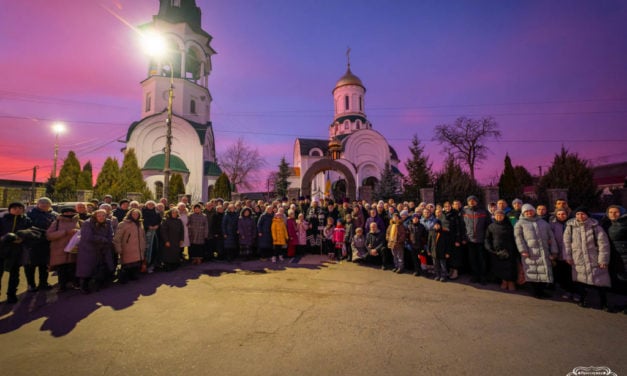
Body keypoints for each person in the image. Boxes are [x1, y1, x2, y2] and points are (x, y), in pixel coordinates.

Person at [563, 207, 612, 311]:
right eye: (578, 214)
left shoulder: (596, 227)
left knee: (600, 282)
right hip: (578, 258)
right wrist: (568, 256)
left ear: (587, 215)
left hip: (594, 257)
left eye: (582, 214)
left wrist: (603, 260)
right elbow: (566, 244)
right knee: (580, 281)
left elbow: (603, 244)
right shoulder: (570, 227)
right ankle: (582, 299)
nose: (580, 216)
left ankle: (604, 303)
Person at [514, 204, 557, 299]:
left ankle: (541, 291)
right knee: (532, 272)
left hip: (543, 251)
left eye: (531, 211)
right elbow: (518, 238)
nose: (529, 213)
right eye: (526, 212)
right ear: (523, 213)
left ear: (534, 211)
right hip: (530, 252)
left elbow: (551, 237)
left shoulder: (543, 223)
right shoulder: (520, 223)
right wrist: (523, 250)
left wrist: (554, 251)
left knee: (543, 272)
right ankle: (535, 292)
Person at [0, 202, 33, 303]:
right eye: (14, 208)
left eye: (20, 208)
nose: (17, 210)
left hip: (17, 251)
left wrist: (23, 237)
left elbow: (32, 232)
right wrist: (2, 238)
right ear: (10, 209)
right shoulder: (2, 220)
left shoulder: (27, 220)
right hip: (2, 250)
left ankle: (11, 295)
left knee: (14, 274)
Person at [76, 209, 114, 294]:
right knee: (87, 268)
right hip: (89, 249)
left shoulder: (108, 222)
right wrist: (103, 239)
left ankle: (99, 283)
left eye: (103, 215)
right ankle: (84, 286)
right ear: (95, 216)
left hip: (104, 247)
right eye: (99, 215)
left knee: (102, 265)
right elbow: (88, 236)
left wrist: (109, 240)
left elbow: (111, 233)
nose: (101, 217)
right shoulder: (87, 223)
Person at [25, 197, 58, 292]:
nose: (44, 205)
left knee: (44, 265)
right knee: (30, 265)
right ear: (37, 204)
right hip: (33, 243)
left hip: (47, 243)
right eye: (42, 203)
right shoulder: (31, 214)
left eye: (47, 204)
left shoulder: (54, 215)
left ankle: (43, 283)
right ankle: (31, 284)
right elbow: (28, 227)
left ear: (50, 205)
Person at [46, 206, 81, 292]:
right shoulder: (57, 222)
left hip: (74, 248)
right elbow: (49, 235)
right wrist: (65, 232)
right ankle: (62, 285)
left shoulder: (79, 221)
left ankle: (74, 283)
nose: (69, 214)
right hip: (60, 249)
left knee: (73, 267)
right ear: (63, 213)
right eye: (67, 212)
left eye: (71, 212)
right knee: (62, 268)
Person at [484, 209, 518, 291]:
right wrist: (489, 248)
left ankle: (511, 282)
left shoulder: (510, 225)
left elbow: (515, 237)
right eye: (497, 215)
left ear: (504, 216)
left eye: (501, 215)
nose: (499, 217)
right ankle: (504, 281)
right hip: (497, 250)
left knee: (510, 267)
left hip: (510, 249)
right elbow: (487, 238)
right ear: (494, 216)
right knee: (500, 267)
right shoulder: (491, 226)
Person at [462, 195, 491, 284]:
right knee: (472, 259)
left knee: (482, 259)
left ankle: (483, 277)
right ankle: (474, 276)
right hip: (470, 240)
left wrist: (486, 238)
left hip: (480, 240)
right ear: (467, 202)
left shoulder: (483, 211)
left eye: (473, 200)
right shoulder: (464, 212)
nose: (471, 202)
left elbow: (488, 225)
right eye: (470, 201)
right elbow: (462, 226)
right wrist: (464, 237)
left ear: (477, 202)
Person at [550, 208, 577, 301]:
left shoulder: (572, 224)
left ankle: (574, 291)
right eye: (559, 214)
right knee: (562, 273)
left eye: (563, 214)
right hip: (559, 252)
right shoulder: (553, 225)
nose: (561, 216)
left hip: (572, 253)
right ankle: (567, 290)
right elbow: (551, 239)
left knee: (572, 273)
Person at [113, 208, 146, 283]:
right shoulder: (123, 224)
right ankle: (124, 277)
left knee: (136, 263)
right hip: (127, 248)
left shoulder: (140, 223)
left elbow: (143, 235)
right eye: (134, 214)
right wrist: (118, 249)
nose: (135, 215)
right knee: (127, 264)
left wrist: (143, 244)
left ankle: (133, 275)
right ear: (130, 214)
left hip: (138, 247)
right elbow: (117, 238)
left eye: (137, 214)